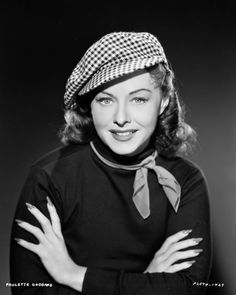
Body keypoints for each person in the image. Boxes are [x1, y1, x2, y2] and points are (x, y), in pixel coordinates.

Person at [10, 32, 212, 295]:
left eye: (138, 99)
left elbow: (191, 289)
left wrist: (74, 276)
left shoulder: (186, 180)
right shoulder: (49, 177)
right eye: (106, 100)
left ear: (162, 102)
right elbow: (27, 292)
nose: (121, 118)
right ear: (89, 107)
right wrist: (148, 281)